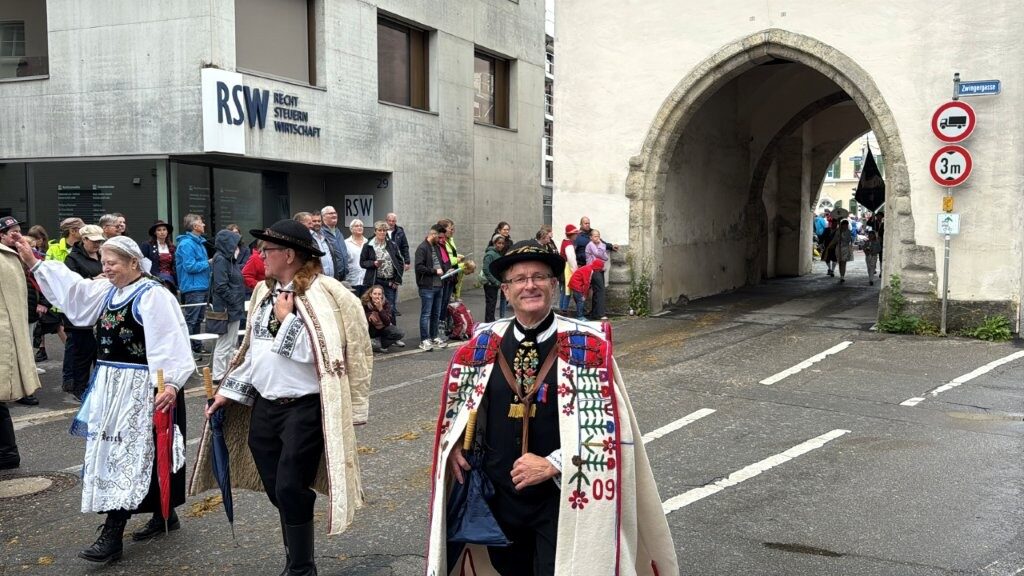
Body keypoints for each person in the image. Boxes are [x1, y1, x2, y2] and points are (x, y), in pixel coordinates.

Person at [425, 240, 677, 576]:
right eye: (519, 279)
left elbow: (607, 429)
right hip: (499, 496)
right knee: (507, 569)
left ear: (554, 285)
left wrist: (553, 464)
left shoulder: (587, 344)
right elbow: (465, 405)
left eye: (539, 277)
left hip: (562, 498)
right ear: (506, 291)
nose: (529, 285)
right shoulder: (484, 342)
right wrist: (457, 442)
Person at [194, 218, 372, 576]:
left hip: (304, 408)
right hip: (265, 406)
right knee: (279, 488)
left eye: (268, 250)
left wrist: (287, 320)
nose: (261, 255)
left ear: (289, 255)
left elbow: (323, 356)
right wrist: (226, 394)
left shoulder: (324, 294)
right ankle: (296, 552)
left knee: (290, 486)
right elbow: (253, 351)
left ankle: (301, 567)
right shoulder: (264, 292)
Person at [20, 234, 195, 563]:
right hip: (111, 384)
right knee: (121, 450)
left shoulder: (153, 295)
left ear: (133, 263)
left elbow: (171, 339)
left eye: (112, 263)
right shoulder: (108, 290)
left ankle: (113, 533)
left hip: (145, 385)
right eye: (103, 262)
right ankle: (164, 513)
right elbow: (74, 292)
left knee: (128, 454)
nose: (106, 268)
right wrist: (34, 262)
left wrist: (169, 384)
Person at [0, 216, 42, 470]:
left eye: (18, 231)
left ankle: (7, 452)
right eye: (11, 231)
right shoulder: (12, 257)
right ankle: (7, 452)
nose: (16, 235)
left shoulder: (9, 256)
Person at [62, 224, 106, 401]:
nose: (97, 244)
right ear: (84, 239)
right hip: (81, 314)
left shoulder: (103, 255)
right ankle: (79, 389)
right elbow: (70, 285)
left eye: (99, 241)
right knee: (82, 354)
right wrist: (93, 280)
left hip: (101, 311)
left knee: (101, 353)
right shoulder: (72, 259)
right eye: (94, 241)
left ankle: (100, 389)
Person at [210, 229, 246, 383]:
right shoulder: (221, 260)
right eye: (235, 244)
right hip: (227, 308)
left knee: (231, 343)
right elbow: (220, 286)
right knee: (225, 343)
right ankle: (218, 375)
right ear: (228, 244)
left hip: (233, 307)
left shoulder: (229, 259)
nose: (237, 247)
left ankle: (227, 372)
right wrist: (234, 301)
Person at [175, 213, 210, 353]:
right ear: (195, 226)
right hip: (193, 287)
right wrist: (208, 263)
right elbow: (190, 266)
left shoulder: (198, 243)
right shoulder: (186, 244)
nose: (204, 224)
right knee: (191, 320)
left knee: (198, 319)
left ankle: (196, 348)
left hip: (201, 286)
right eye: (201, 222)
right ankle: (186, 350)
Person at [415, 225, 450, 351]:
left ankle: (434, 336)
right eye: (439, 237)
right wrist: (435, 271)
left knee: (436, 313)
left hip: (438, 285)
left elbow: (440, 264)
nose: (440, 239)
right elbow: (419, 267)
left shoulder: (436, 247)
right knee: (426, 314)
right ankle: (424, 339)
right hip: (427, 286)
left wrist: (446, 270)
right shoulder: (422, 248)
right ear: (433, 235)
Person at [360, 220, 403, 316]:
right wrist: (373, 263)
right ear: (375, 231)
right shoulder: (368, 245)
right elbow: (362, 262)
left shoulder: (392, 244)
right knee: (373, 308)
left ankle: (391, 326)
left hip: (390, 282)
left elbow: (400, 262)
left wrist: (397, 280)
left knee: (390, 309)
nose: (382, 232)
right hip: (374, 281)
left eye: (384, 230)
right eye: (380, 230)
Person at [362, 284, 405, 352]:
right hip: (370, 330)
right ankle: (372, 342)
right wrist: (369, 315)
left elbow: (387, 322)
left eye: (379, 294)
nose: (377, 296)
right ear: (370, 294)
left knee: (399, 333)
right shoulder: (365, 303)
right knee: (375, 345)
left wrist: (380, 309)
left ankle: (382, 344)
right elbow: (359, 318)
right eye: (375, 294)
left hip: (382, 328)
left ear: (382, 295)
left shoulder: (385, 303)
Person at [386, 213, 411, 314]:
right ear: (386, 220)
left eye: (393, 221)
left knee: (395, 283)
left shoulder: (400, 231)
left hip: (397, 261)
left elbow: (405, 246)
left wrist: (407, 261)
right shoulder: (382, 230)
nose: (391, 223)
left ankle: (393, 307)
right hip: (385, 262)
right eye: (390, 221)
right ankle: (387, 307)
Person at [141, 220, 176, 291]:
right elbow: (142, 263)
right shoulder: (147, 245)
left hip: (171, 278)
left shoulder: (172, 247)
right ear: (155, 232)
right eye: (159, 230)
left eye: (164, 229)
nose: (162, 232)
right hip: (153, 278)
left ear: (167, 232)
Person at [319, 205, 350, 281]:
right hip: (330, 276)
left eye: (335, 213)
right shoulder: (321, 233)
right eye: (330, 213)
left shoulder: (338, 232)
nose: (334, 215)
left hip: (343, 274)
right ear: (323, 217)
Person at [481, 234, 508, 323]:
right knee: (490, 304)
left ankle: (490, 321)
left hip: (494, 283)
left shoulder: (497, 253)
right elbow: (486, 269)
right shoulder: (490, 254)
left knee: (492, 304)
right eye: (499, 243)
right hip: (490, 284)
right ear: (494, 243)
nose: (501, 245)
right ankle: (489, 322)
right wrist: (495, 282)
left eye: (502, 243)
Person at [825, 219, 855, 283]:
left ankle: (842, 276)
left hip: (845, 249)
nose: (845, 226)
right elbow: (835, 239)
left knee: (843, 262)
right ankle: (841, 275)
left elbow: (848, 240)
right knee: (840, 262)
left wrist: (842, 237)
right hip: (838, 248)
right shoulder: (838, 231)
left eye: (846, 225)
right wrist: (830, 245)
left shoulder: (848, 232)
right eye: (844, 225)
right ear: (842, 225)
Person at [559, 225, 580, 313]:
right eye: (575, 234)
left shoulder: (564, 241)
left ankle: (561, 308)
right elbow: (571, 260)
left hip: (562, 267)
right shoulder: (569, 245)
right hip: (567, 269)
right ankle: (564, 309)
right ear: (571, 235)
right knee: (567, 290)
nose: (576, 235)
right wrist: (575, 271)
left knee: (563, 290)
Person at [344, 219, 368, 295]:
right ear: (351, 229)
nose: (359, 227)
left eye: (361, 226)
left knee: (365, 302)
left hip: (366, 280)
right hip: (352, 280)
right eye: (357, 226)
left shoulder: (368, 242)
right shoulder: (346, 243)